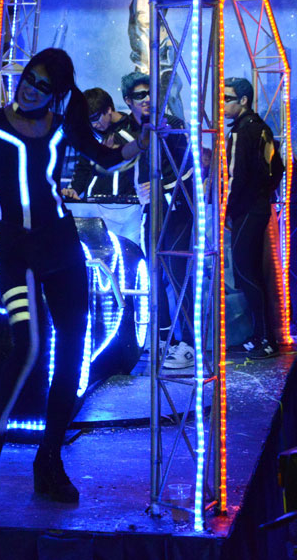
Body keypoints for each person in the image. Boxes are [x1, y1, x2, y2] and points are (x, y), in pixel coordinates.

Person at [0, 48, 146, 503]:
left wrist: (143, 139)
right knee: (26, 344)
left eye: (44, 85)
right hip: (17, 250)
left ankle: (50, 459)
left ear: (57, 93)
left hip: (62, 248)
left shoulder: (63, 125)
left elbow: (106, 158)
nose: (31, 88)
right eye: (30, 78)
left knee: (71, 353)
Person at [121, 70, 195, 369]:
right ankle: (164, 340)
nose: (148, 99)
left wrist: (162, 187)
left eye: (151, 93)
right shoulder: (126, 129)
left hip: (177, 210)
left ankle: (187, 344)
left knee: (178, 275)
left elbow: (189, 169)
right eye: (140, 95)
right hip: (146, 214)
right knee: (152, 276)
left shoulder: (173, 125)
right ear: (128, 101)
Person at [224, 77, 283, 359]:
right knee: (252, 274)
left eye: (227, 99)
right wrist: (262, 192)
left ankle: (265, 338)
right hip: (257, 207)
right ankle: (261, 336)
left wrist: (228, 209)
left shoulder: (241, 132)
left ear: (243, 101)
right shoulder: (261, 128)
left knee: (246, 274)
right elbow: (277, 169)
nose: (223, 104)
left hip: (247, 209)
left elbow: (235, 178)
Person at [63, 88, 139, 200]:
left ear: (108, 110)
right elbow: (83, 167)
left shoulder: (132, 131)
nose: (94, 125)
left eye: (95, 118)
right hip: (93, 204)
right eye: (89, 121)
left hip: (126, 203)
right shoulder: (91, 135)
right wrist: (74, 190)